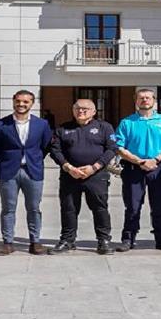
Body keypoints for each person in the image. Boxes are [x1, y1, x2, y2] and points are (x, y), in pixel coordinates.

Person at [50, 98, 118, 255]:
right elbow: (55, 150)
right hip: (70, 175)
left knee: (100, 208)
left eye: (85, 109)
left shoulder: (104, 127)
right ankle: (67, 240)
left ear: (94, 112)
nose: (81, 111)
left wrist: (94, 167)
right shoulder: (63, 129)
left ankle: (104, 241)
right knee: (69, 209)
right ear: (73, 111)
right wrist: (68, 167)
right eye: (77, 108)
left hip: (96, 175)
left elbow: (112, 149)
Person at [113, 88, 161, 252]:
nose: (145, 100)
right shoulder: (127, 122)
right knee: (132, 206)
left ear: (154, 101)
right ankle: (128, 239)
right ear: (136, 101)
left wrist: (155, 160)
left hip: (158, 168)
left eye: (148, 98)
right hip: (134, 168)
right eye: (141, 98)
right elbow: (119, 147)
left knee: (159, 205)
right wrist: (139, 160)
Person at [0, 90, 52, 255]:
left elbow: (46, 146)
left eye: (26, 101)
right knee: (8, 208)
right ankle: (8, 242)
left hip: (33, 171)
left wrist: (34, 160)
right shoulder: (0, 124)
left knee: (34, 208)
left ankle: (35, 242)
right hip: (8, 171)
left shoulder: (42, 124)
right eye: (18, 101)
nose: (21, 104)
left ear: (32, 103)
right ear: (13, 101)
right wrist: (6, 160)